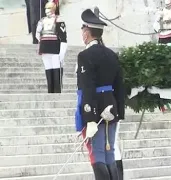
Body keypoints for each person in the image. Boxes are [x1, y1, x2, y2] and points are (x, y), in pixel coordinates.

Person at [75, 8, 125, 180]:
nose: (82, 34)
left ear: (87, 32)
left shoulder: (85, 55)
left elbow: (87, 88)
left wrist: (89, 118)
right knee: (109, 154)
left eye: (83, 31)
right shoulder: (112, 54)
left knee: (97, 154)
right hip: (111, 108)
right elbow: (119, 85)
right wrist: (119, 112)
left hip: (95, 109)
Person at [36, 0, 67, 93]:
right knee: (48, 69)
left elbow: (63, 37)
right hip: (45, 48)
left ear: (53, 9)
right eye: (46, 8)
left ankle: (57, 91)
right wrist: (40, 40)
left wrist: (62, 51)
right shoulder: (42, 21)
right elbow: (37, 33)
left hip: (55, 47)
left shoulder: (59, 20)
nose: (46, 10)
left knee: (56, 70)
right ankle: (50, 90)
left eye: (49, 8)